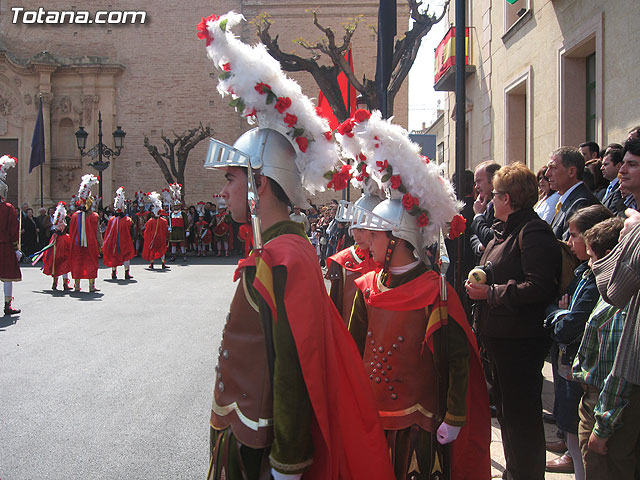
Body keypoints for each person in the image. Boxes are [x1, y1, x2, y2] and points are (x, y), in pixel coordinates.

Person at [200, 12, 394, 479]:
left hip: (264, 449)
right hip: (243, 432)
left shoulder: (285, 258)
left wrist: (289, 460)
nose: (222, 191)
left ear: (260, 185)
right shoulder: (276, 252)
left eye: (231, 179)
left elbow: (294, 366)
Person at [341, 109, 489, 480]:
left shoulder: (435, 291)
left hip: (420, 423)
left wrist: (454, 417)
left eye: (374, 234)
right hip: (374, 419)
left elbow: (457, 362)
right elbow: (353, 350)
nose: (365, 241)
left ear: (398, 240)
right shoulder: (367, 288)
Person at [465, 162, 562, 480]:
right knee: (508, 414)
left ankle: (526, 474)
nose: (490, 199)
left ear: (509, 198)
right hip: (500, 337)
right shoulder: (505, 230)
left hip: (520, 340)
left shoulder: (532, 231)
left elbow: (540, 285)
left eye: (494, 195)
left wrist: (490, 292)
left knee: (521, 418)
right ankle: (517, 472)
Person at [543, 204, 613, 476]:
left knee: (581, 441)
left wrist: (559, 313)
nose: (569, 241)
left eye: (573, 235)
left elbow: (568, 327)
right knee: (572, 434)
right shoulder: (582, 272)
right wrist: (559, 311)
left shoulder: (596, 280)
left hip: (581, 371)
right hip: (567, 366)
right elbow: (555, 309)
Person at [570, 217, 636, 478]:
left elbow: (618, 372)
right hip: (594, 404)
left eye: (592, 257)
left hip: (605, 410)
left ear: (609, 257)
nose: (588, 264)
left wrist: (602, 428)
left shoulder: (619, 309)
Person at [325, 195, 381, 325]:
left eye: (361, 229)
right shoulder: (343, 261)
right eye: (353, 227)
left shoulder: (393, 262)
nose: (355, 235)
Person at [547, 146, 600, 241]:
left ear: (571, 171)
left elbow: (569, 249)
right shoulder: (569, 199)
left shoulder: (581, 203)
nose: (547, 174)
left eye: (553, 167)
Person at [69, 174, 102, 293]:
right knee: (91, 263)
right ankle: (91, 286)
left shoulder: (74, 216)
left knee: (77, 262)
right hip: (91, 244)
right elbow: (98, 232)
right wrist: (101, 244)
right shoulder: (94, 216)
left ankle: (77, 285)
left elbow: (71, 232)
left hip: (76, 244)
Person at [0, 155, 21, 315]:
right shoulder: (8, 208)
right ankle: (7, 305)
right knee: (7, 277)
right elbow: (14, 230)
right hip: (5, 246)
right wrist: (16, 247)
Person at [470, 160, 501, 260]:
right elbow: (474, 236)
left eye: (479, 181)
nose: (476, 187)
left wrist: (478, 216)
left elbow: (490, 237)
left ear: (492, 181)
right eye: (475, 183)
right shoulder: (485, 205)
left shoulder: (503, 208)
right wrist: (480, 246)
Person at [102, 187, 135, 280]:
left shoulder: (112, 219)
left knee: (114, 256)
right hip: (125, 241)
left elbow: (108, 232)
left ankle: (113, 272)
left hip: (113, 242)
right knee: (126, 256)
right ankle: (126, 273)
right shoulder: (128, 220)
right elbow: (132, 229)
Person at [41, 201, 72, 291]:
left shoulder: (57, 217)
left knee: (55, 260)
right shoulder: (63, 218)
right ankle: (65, 283)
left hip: (56, 238)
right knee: (64, 260)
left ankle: (55, 282)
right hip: (62, 239)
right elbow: (62, 227)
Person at [141, 192, 169, 270]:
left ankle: (152, 263)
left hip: (152, 238)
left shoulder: (150, 221)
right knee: (162, 250)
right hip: (161, 238)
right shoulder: (164, 221)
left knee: (152, 250)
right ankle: (163, 263)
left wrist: (146, 237)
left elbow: (147, 231)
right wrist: (166, 236)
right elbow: (166, 230)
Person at [600, 147, 626, 216]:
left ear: (618, 165)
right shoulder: (609, 187)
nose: (601, 168)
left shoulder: (621, 189)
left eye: (606, 164)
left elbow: (613, 214)